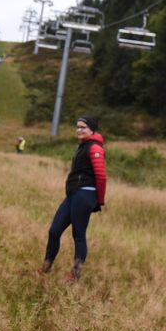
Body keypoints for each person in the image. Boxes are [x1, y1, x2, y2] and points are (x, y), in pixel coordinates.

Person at [39, 115, 107, 281]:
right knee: (54, 231)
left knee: (78, 234)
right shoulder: (82, 146)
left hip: (85, 194)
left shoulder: (95, 148)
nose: (79, 130)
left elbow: (101, 176)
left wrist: (99, 200)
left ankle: (75, 274)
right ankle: (46, 267)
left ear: (92, 129)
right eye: (77, 127)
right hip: (73, 194)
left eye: (83, 127)